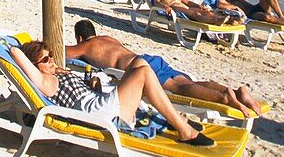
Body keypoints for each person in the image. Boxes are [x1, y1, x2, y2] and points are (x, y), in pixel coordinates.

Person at [11, 40, 213, 146]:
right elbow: (15, 53)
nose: (52, 61)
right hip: (98, 113)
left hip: (97, 102)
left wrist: (93, 87)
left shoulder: (55, 73)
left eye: (51, 56)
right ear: (34, 66)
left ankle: (173, 117)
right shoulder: (45, 82)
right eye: (45, 60)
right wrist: (14, 48)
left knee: (140, 63)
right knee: (142, 73)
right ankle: (183, 129)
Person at [66, 19, 262, 118]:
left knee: (178, 89)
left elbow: (64, 51)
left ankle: (225, 97)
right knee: (187, 83)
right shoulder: (108, 39)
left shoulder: (85, 45)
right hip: (149, 59)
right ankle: (236, 91)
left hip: (139, 68)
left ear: (80, 37)